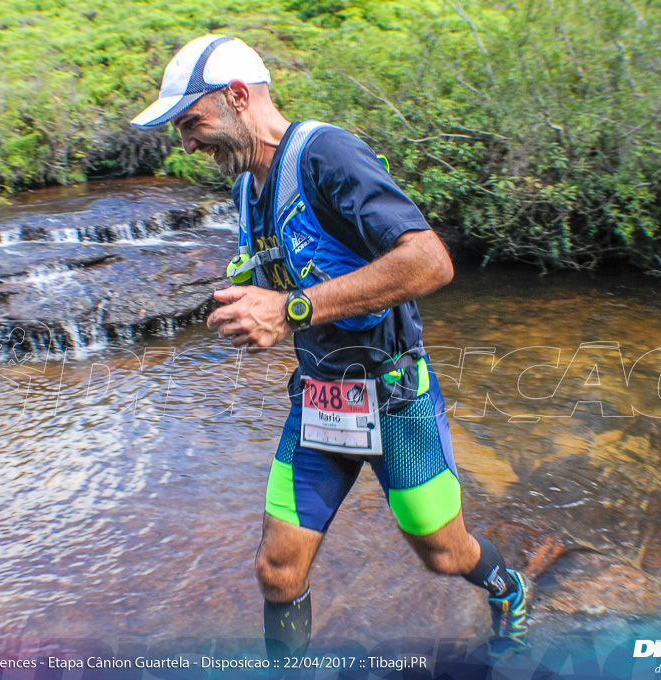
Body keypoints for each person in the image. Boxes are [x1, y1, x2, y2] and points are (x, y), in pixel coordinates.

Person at [131, 34, 531, 661]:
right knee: (278, 571)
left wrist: (289, 310)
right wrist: (251, 302)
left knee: (443, 553)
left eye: (192, 122)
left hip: (396, 398)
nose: (186, 144)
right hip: (319, 402)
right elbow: (287, 279)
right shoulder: (246, 189)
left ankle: (506, 584)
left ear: (237, 97)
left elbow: (429, 262)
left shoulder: (327, 154)